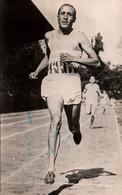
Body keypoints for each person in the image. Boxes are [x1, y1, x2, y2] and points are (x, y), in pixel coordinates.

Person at [29, 4, 100, 184]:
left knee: (72, 123)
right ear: (58, 16)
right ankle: (51, 168)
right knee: (56, 120)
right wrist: (37, 70)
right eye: (63, 13)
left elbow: (96, 62)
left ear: (74, 19)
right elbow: (49, 55)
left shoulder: (79, 36)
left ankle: (76, 129)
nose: (66, 17)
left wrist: (73, 58)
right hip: (52, 81)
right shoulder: (49, 36)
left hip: (71, 82)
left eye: (70, 15)